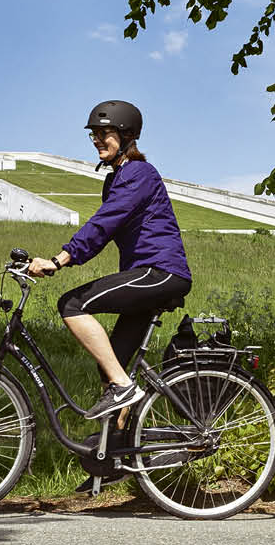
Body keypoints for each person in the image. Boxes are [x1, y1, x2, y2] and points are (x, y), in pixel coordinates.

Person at [25, 100, 191, 418]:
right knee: (110, 369)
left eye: (105, 132)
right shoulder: (116, 179)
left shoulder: (139, 173)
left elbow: (104, 223)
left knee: (72, 304)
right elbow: (104, 233)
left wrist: (59, 260)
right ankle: (115, 458)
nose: (98, 139)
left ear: (127, 134)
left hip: (160, 271)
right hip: (147, 273)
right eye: (94, 134)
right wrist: (74, 256)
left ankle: (124, 389)